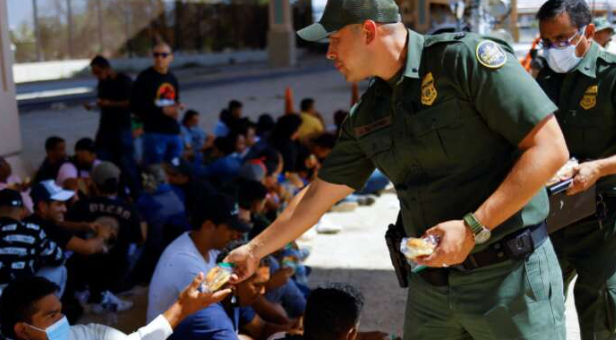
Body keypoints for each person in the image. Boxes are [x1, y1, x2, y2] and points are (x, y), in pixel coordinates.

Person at [225, 0, 571, 339]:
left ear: (368, 31)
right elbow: (317, 195)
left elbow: (550, 148)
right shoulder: (367, 113)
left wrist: (472, 227)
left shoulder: (463, 61)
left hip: (508, 277)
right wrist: (255, 250)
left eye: (334, 39)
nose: (329, 52)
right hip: (433, 288)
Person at [535, 1, 616, 338]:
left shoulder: (611, 75)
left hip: (603, 221)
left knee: (600, 306)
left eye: (563, 39)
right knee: (539, 303)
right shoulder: (547, 76)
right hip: (554, 215)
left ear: (589, 33)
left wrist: (596, 169)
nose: (555, 49)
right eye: (547, 41)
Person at [0, 273, 231, 340]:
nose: (62, 321)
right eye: (51, 316)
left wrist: (182, 308)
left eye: (61, 312)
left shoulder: (86, 335)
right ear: (22, 330)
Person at [147, 193, 250, 322]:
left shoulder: (208, 247)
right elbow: (211, 317)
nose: (235, 235)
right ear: (208, 226)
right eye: (230, 229)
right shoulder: (185, 262)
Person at [169, 240, 293, 340]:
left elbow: (261, 329)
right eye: (257, 285)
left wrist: (292, 330)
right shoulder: (212, 318)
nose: (262, 291)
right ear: (233, 281)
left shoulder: (233, 297)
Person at [65, 162, 144, 311]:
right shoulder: (130, 208)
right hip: (116, 268)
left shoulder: (81, 205)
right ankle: (104, 291)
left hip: (84, 266)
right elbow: (138, 240)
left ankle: (85, 290)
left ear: (94, 183)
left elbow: (66, 233)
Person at [0, 189, 65, 293]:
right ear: (22, 211)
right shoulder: (32, 230)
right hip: (22, 298)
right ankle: (46, 309)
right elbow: (58, 257)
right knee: (59, 269)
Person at [131, 42, 183, 165]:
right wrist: (161, 111)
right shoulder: (145, 77)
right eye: (156, 55)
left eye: (164, 55)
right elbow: (135, 105)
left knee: (175, 169)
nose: (159, 58)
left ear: (171, 57)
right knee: (155, 172)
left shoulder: (172, 77)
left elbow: (174, 101)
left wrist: (176, 108)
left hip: (173, 132)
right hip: (154, 133)